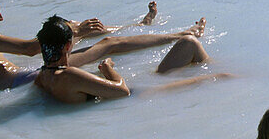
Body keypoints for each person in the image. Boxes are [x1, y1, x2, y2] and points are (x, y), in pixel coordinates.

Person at [0, 0, 111, 89]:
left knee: (73, 33)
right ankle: (127, 28)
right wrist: (75, 30)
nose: (1, 18)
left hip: (17, 82)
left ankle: (119, 28)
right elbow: (29, 50)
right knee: (105, 45)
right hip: (21, 83)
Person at [34, 14, 210, 103]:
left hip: (138, 91)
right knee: (189, 44)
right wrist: (108, 68)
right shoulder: (69, 75)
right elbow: (122, 91)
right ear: (67, 46)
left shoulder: (42, 77)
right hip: (141, 92)